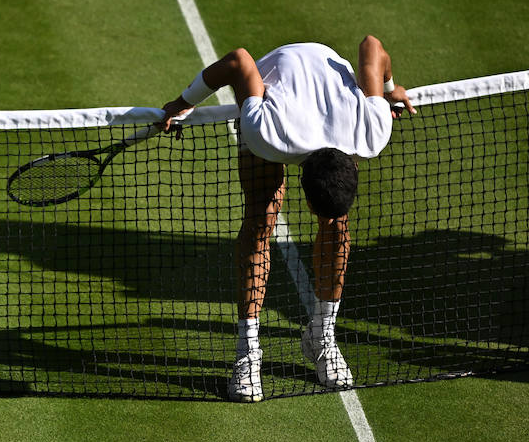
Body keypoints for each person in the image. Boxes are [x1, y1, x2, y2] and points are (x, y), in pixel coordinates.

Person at [159, 36, 415, 401]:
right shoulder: (267, 132)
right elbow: (240, 62)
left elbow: (373, 48)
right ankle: (247, 352)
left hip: (332, 99)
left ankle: (321, 335)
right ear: (305, 203)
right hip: (275, 81)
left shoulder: (369, 132)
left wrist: (389, 90)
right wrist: (182, 104)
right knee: (263, 216)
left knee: (337, 224)